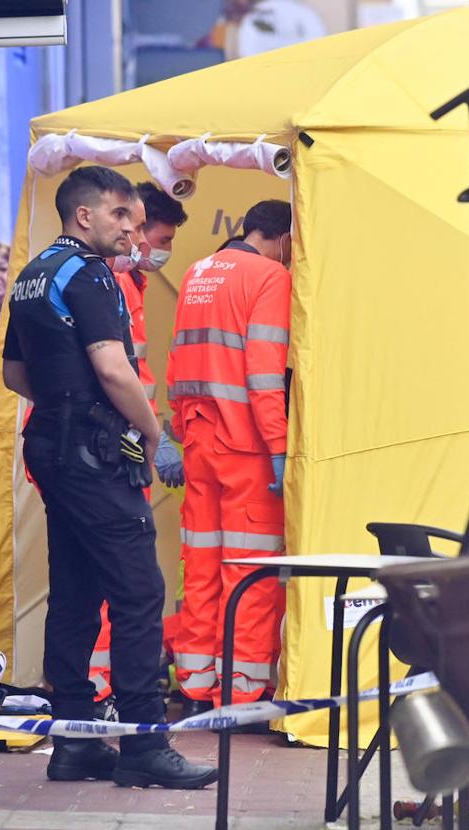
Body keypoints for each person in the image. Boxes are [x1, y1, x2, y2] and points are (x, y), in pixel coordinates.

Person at [1, 164, 217, 789]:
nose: (134, 228)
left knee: (73, 591)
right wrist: (150, 432)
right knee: (138, 592)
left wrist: (65, 400)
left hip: (52, 447)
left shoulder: (35, 273)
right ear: (85, 216)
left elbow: (16, 376)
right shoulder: (91, 274)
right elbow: (115, 368)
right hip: (97, 452)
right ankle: (146, 745)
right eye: (121, 216)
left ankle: (74, 741)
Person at [167, 199, 292, 715]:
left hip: (198, 441)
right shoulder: (269, 278)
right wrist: (281, 448)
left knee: (201, 566)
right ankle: (241, 691)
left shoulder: (199, 272)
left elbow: (179, 360)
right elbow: (265, 376)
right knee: (250, 571)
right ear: (284, 238)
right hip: (248, 449)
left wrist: (180, 430)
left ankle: (196, 684)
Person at [87, 182, 189, 711]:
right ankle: (106, 689)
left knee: (113, 576)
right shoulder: (111, 283)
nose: (161, 249)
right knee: (122, 577)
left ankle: (103, 686)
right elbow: (118, 374)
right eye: (160, 237)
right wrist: (154, 436)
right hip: (114, 448)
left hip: (120, 445)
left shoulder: (126, 284)